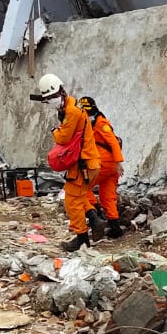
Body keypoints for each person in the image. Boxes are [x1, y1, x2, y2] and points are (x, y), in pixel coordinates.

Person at [35, 74, 100, 251]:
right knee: (78, 196)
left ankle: (82, 239)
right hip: (88, 162)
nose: (52, 101)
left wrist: (54, 131)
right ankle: (95, 220)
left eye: (52, 97)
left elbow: (63, 138)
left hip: (83, 164)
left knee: (71, 201)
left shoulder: (71, 111)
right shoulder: (72, 104)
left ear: (61, 92)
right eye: (49, 99)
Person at [77, 96, 125, 239]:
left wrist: (118, 162)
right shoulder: (95, 123)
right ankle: (115, 227)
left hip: (103, 164)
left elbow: (113, 143)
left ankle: (95, 214)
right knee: (107, 196)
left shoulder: (101, 124)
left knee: (83, 187)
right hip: (110, 168)